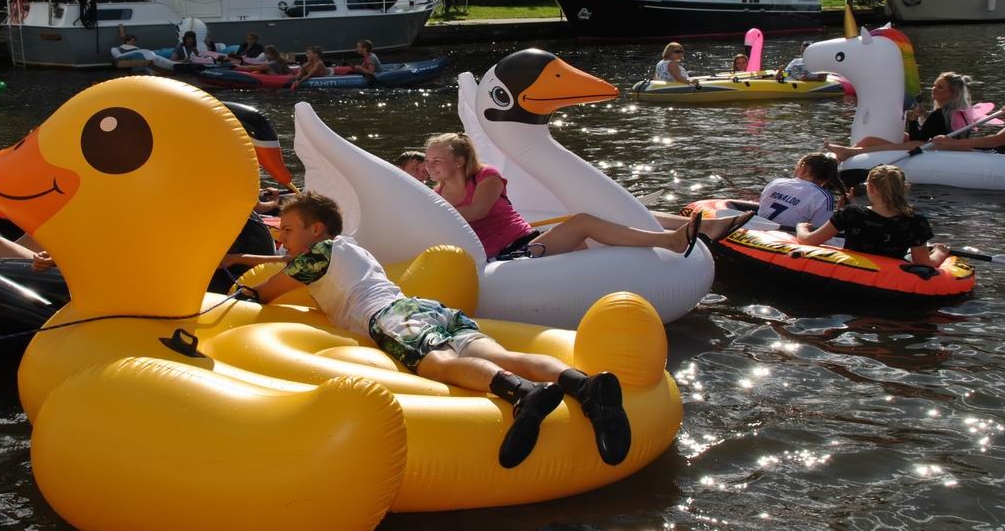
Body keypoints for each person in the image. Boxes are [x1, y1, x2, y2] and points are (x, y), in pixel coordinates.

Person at [225, 191, 633, 469]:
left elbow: (265, 291)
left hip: (390, 317)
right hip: (427, 308)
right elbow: (288, 264)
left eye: (288, 229)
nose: (281, 237)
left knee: (437, 363)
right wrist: (247, 256)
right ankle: (583, 385)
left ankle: (523, 394)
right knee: (499, 354)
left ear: (316, 230)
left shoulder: (316, 254)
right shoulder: (351, 249)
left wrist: (239, 281)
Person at [424, 133, 751, 260]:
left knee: (599, 211)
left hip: (529, 239)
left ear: (459, 161)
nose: (429, 166)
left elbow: (479, 210)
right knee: (583, 222)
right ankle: (670, 241)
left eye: (437, 160)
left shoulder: (486, 176)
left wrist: (433, 209)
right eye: (428, 161)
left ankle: (704, 228)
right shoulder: (437, 195)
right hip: (510, 254)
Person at [797, 164, 949, 267]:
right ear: (904, 188)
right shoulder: (916, 221)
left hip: (852, 271)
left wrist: (802, 228)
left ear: (870, 188)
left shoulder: (851, 213)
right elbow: (923, 264)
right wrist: (939, 253)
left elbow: (809, 241)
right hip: (889, 278)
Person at [826, 72, 973, 161]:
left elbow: (918, 139)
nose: (933, 89)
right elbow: (929, 133)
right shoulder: (954, 112)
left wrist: (913, 119)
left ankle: (851, 152)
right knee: (871, 140)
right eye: (934, 85)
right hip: (935, 144)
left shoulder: (941, 114)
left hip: (940, 149)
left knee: (913, 143)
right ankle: (844, 155)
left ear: (952, 93)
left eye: (940, 87)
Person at [927, 76, 1005, 158]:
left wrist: (954, 142)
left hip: (1003, 156)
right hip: (1000, 152)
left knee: (941, 147)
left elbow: (997, 140)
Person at [757, 153, 844, 228]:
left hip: (757, 232)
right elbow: (820, 231)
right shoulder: (823, 197)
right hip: (787, 238)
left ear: (803, 168)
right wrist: (840, 212)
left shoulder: (776, 182)